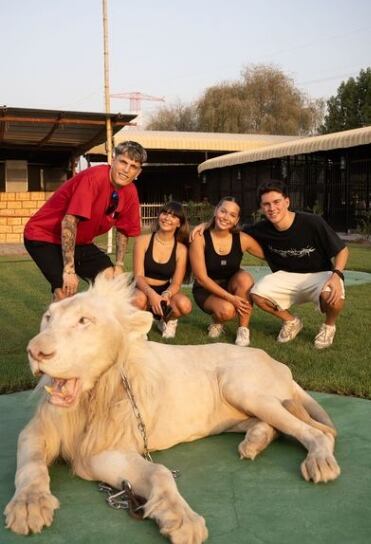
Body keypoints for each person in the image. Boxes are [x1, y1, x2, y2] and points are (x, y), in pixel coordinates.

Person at [24, 141, 146, 301]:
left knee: (110, 280)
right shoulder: (93, 178)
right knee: (65, 292)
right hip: (44, 236)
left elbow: (123, 228)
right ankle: (55, 324)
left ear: (139, 172)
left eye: (133, 166)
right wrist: (69, 270)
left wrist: (119, 264)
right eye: (123, 162)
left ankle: (94, 323)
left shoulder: (130, 192)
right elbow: (69, 222)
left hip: (80, 242)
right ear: (113, 160)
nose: (126, 170)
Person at [244, 179, 349, 349]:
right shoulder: (261, 228)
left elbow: (342, 251)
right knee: (257, 294)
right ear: (262, 208)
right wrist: (206, 225)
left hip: (319, 274)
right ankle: (291, 321)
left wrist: (337, 276)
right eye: (266, 204)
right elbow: (233, 233)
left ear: (287, 201)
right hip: (286, 275)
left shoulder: (312, 222)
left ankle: (329, 326)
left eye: (276, 202)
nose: (272, 208)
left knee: (334, 298)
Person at [189, 197, 264, 347]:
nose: (226, 217)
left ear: (236, 220)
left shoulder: (242, 239)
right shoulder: (200, 237)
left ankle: (243, 329)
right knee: (227, 311)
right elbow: (201, 278)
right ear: (216, 211)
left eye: (232, 215)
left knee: (245, 279)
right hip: (206, 289)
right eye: (223, 211)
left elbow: (270, 255)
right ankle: (217, 322)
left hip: (231, 284)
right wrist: (231, 299)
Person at [132, 201, 192, 339]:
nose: (167, 218)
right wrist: (151, 294)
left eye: (173, 216)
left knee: (185, 305)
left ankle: (167, 320)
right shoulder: (143, 240)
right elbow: (138, 276)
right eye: (165, 213)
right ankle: (139, 327)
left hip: (164, 290)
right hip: (141, 288)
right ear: (159, 216)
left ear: (179, 223)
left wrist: (166, 295)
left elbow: (176, 283)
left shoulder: (181, 250)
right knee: (139, 299)